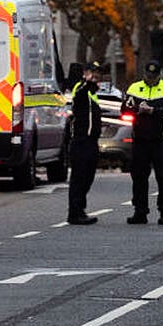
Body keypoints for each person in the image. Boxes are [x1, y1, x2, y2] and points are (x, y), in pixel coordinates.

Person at [120, 60, 163, 225]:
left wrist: (154, 111)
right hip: (140, 140)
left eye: (153, 77)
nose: (150, 79)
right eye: (148, 76)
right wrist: (138, 110)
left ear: (159, 75)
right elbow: (124, 109)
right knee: (139, 177)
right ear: (144, 74)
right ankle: (140, 212)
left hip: (160, 141)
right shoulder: (135, 88)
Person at [67, 61, 105, 225]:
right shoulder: (81, 88)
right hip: (81, 141)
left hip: (91, 141)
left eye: (98, 73)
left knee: (88, 177)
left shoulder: (93, 92)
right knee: (79, 177)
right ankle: (75, 212)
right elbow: (80, 93)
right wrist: (88, 81)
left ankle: (80, 209)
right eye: (93, 72)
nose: (97, 76)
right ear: (85, 73)